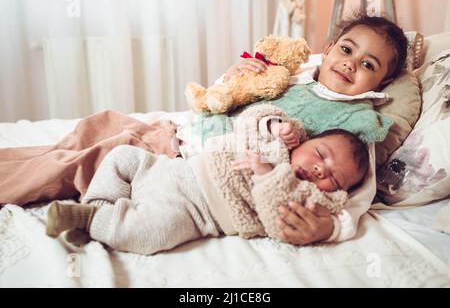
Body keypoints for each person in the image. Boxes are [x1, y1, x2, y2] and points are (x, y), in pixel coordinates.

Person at [176, 13, 408, 246]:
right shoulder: (293, 75)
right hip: (192, 133)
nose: (351, 63)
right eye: (347, 50)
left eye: (368, 65)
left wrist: (332, 228)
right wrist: (230, 76)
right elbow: (229, 98)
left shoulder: (359, 120)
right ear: (328, 50)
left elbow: (360, 193)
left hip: (225, 175)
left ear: (382, 83)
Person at [45, 104, 369, 255]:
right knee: (121, 156)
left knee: (150, 233)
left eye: (334, 178)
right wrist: (274, 125)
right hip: (174, 169)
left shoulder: (309, 199)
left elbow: (276, 221)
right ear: (307, 140)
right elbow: (248, 119)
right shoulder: (277, 141)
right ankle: (98, 207)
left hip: (195, 211)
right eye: (321, 154)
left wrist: (268, 174)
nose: (320, 170)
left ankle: (89, 220)